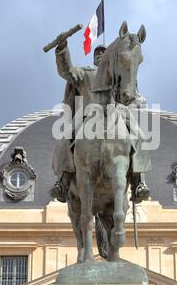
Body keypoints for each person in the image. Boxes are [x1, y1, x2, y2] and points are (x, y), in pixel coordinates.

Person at [52, 36, 150, 203]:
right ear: (94, 58)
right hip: (88, 115)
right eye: (98, 53)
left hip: (117, 113)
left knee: (140, 135)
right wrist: (62, 49)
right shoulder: (84, 73)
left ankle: (138, 181)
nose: (101, 55)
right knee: (64, 139)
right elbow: (66, 71)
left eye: (103, 53)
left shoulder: (118, 75)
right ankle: (63, 180)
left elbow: (130, 93)